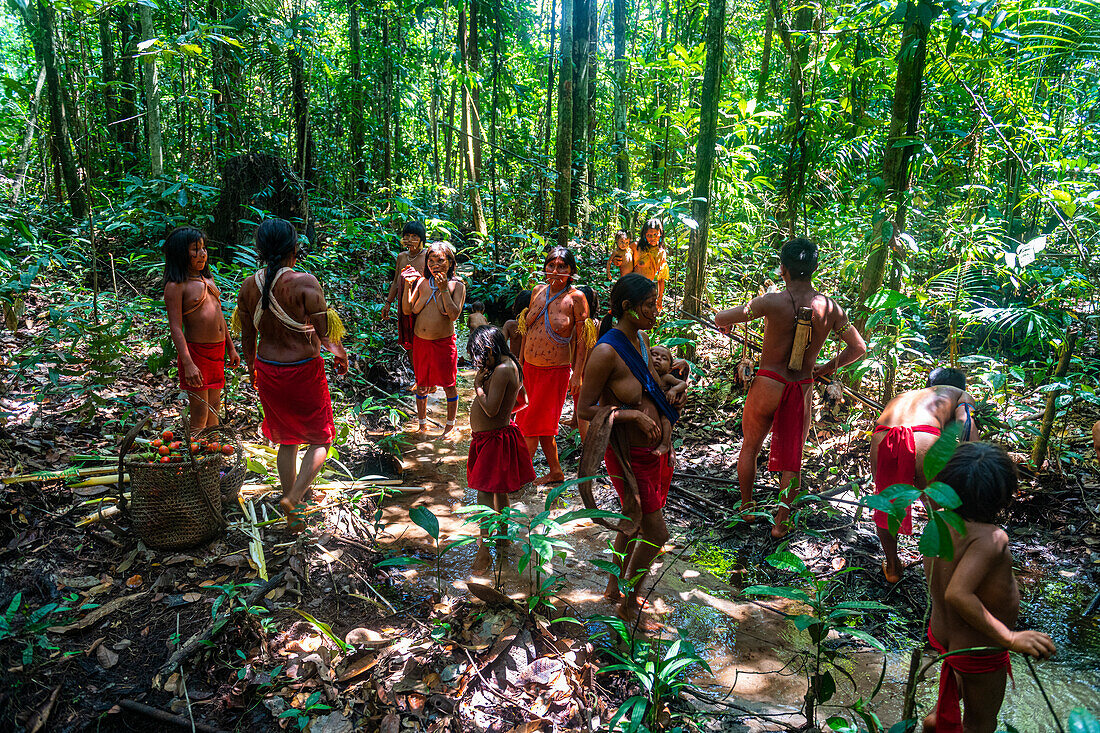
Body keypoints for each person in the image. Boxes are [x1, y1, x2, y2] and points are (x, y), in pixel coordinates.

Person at [715, 238, 866, 539]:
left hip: (768, 384)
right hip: (801, 387)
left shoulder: (770, 301)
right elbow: (858, 348)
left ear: (782, 269)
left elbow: (721, 317)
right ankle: (780, 523)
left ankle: (746, 509)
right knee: (792, 459)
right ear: (815, 268)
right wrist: (826, 367)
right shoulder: (831, 307)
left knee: (750, 446)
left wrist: (726, 325)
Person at [923, 442, 1056, 733]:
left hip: (946, 636)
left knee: (956, 687)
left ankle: (937, 720)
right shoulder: (991, 539)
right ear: (1005, 497)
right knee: (980, 724)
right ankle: (939, 722)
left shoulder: (938, 523)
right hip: (978, 648)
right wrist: (1010, 638)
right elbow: (957, 593)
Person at [578, 274, 685, 629]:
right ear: (627, 308)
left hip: (654, 452)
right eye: (649, 305)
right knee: (656, 534)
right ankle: (628, 604)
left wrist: (673, 393)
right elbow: (584, 408)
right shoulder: (606, 351)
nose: (656, 311)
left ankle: (613, 587)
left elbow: (651, 386)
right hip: (628, 454)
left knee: (631, 519)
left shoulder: (640, 339)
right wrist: (633, 416)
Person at [235, 218, 348, 532]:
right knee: (322, 438)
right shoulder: (305, 282)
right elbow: (326, 335)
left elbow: (246, 337)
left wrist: (252, 369)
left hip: (268, 370)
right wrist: (341, 355)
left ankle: (293, 519)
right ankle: (296, 497)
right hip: (303, 371)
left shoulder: (247, 286)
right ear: (294, 248)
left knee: (288, 440)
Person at [871, 367, 979, 582]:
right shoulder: (960, 394)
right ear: (962, 386)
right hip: (924, 436)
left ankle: (892, 568)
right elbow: (965, 423)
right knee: (939, 509)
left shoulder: (903, 396)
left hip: (882, 438)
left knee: (886, 504)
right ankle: (945, 569)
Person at [515, 247, 589, 484]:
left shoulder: (576, 298)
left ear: (571, 272)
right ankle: (556, 471)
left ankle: (519, 477)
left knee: (530, 426)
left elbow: (582, 342)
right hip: (529, 370)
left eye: (562, 267)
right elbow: (526, 330)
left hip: (554, 373)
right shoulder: (537, 291)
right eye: (551, 266)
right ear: (545, 268)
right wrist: (519, 362)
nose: (555, 271)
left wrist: (577, 374)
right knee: (540, 424)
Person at [466, 325, 536, 575]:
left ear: (489, 349)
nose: (480, 363)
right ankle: (503, 538)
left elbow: (491, 408)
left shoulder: (504, 369)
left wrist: (477, 386)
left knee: (484, 492)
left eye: (480, 357)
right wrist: (506, 417)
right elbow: (523, 401)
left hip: (493, 438)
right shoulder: (511, 364)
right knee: (500, 490)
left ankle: (483, 548)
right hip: (495, 435)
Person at [163, 226, 241, 434]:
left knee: (214, 407)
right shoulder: (176, 286)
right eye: (195, 249)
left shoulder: (208, 280)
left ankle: (212, 453)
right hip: (196, 355)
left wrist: (231, 348)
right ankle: (195, 456)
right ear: (181, 253)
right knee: (200, 412)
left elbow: (219, 316)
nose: (202, 253)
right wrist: (188, 363)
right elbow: (176, 327)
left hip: (217, 352)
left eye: (204, 248)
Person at [406, 242, 466, 437]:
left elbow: (454, 314)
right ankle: (422, 424)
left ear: (449, 262)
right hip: (420, 342)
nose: (435, 264)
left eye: (440, 260)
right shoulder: (422, 282)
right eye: (431, 260)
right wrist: (408, 286)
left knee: (449, 385)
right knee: (421, 383)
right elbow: (411, 309)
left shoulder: (457, 285)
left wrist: (443, 289)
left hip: (443, 343)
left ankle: (450, 425)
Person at [382, 221, 428, 353]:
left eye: (414, 236)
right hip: (404, 304)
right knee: (409, 342)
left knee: (423, 339)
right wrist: (388, 303)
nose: (410, 240)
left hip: (422, 306)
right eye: (407, 236)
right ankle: (416, 373)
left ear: (421, 239)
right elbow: (396, 281)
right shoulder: (401, 257)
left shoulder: (427, 256)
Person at [566, 286, 602, 439]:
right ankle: (577, 424)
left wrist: (573, 372)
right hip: (597, 373)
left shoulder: (577, 327)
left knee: (582, 411)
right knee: (587, 406)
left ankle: (586, 444)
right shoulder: (599, 324)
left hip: (581, 374)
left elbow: (572, 353)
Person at [649, 344, 687, 460]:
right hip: (653, 409)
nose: (658, 358)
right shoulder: (644, 375)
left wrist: (674, 390)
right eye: (654, 355)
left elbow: (683, 384)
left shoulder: (666, 377)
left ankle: (665, 444)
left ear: (670, 368)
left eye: (664, 358)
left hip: (664, 409)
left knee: (665, 421)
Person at [630, 219, 670, 309]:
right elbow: (623, 261)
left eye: (655, 234)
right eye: (649, 235)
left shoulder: (661, 253)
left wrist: (660, 298)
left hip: (646, 291)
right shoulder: (636, 247)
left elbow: (661, 278)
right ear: (644, 235)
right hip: (632, 288)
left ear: (660, 234)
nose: (653, 238)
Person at [501, 290, 531, 360]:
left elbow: (500, 344)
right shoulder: (535, 326)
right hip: (528, 363)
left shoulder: (510, 324)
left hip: (514, 361)